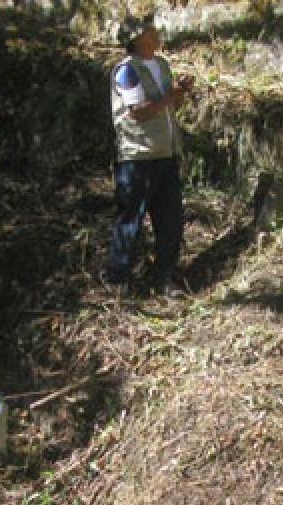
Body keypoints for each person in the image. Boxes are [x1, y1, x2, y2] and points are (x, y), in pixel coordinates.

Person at [103, 14, 195, 297]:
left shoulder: (162, 66)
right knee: (131, 219)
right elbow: (139, 111)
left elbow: (170, 107)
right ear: (136, 39)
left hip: (166, 154)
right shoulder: (126, 71)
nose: (156, 34)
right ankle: (118, 282)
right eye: (149, 31)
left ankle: (165, 279)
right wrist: (171, 96)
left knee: (171, 220)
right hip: (137, 157)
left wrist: (180, 93)